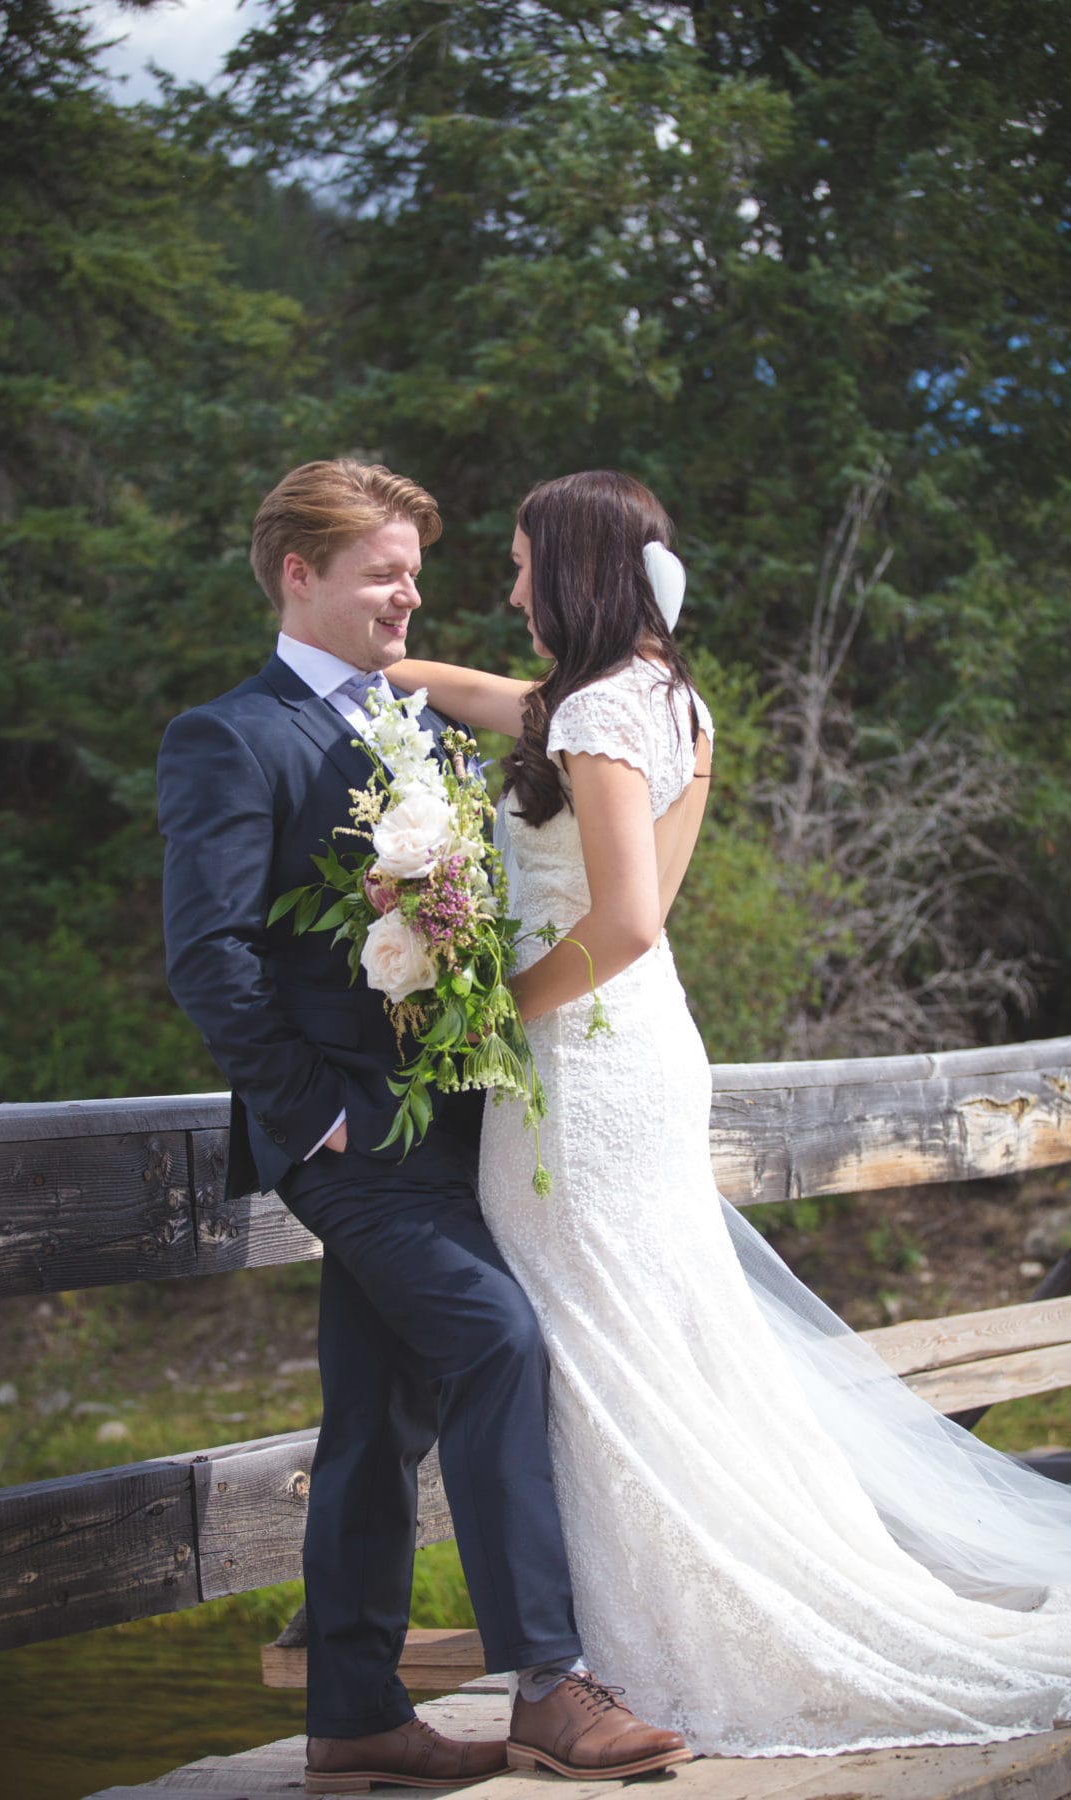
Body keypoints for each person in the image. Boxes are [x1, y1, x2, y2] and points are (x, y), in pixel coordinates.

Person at [390, 467, 1071, 1759]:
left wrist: (487, 1016)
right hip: (633, 1054)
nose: (514, 585)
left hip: (579, 1062)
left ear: (580, 570)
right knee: (658, 1334)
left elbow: (630, 922)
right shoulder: (663, 698)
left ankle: (666, 1641)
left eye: (528, 563)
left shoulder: (595, 710)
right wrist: (387, 675)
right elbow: (490, 700)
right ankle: (647, 1629)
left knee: (601, 1344)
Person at [156, 458, 692, 1792]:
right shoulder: (230, 736)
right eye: (383, 572)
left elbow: (592, 737)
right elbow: (207, 956)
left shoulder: (438, 736)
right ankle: (551, 1687)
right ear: (299, 575)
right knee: (500, 1342)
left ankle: (350, 1712)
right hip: (352, 1142)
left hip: (457, 1129)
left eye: (416, 569)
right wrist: (312, 1123)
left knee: (377, 1422)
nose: (411, 594)